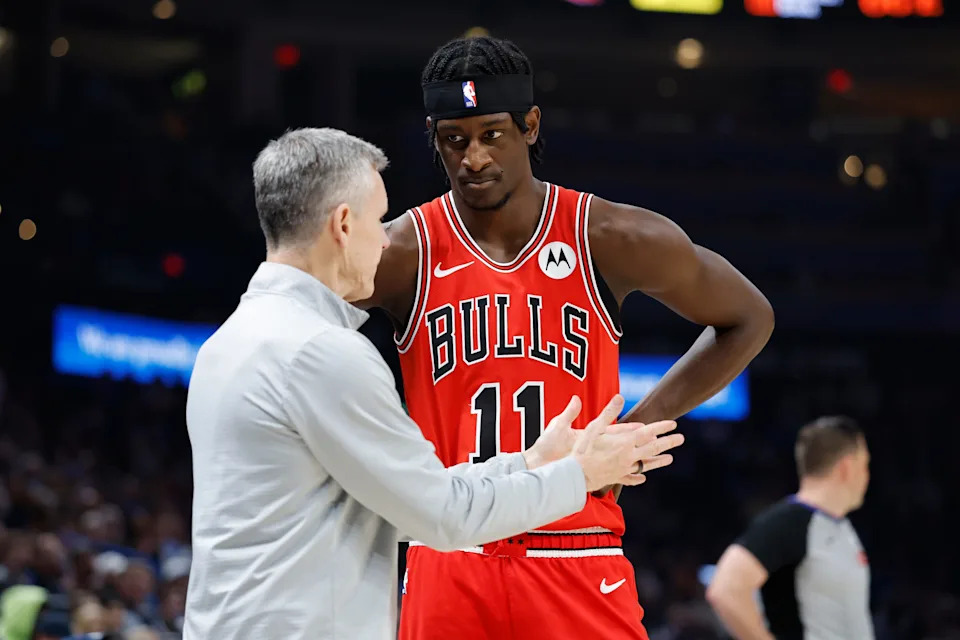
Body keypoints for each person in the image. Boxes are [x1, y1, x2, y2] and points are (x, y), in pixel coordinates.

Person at [182, 127, 685, 640]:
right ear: (343, 225)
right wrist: (579, 475)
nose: (386, 239)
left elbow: (401, 502)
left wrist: (530, 462)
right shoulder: (323, 352)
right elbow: (442, 517)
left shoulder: (227, 345)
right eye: (379, 220)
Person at [359, 36, 775, 639]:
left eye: (492, 134)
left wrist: (635, 429)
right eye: (455, 139)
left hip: (574, 547)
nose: (474, 157)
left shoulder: (606, 234)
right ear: (433, 137)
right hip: (451, 549)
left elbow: (749, 317)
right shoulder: (401, 251)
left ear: (529, 125)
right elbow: (298, 332)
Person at [705, 416, 873, 640]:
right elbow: (725, 589)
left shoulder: (840, 527)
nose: (867, 476)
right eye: (865, 465)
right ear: (846, 468)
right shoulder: (790, 522)